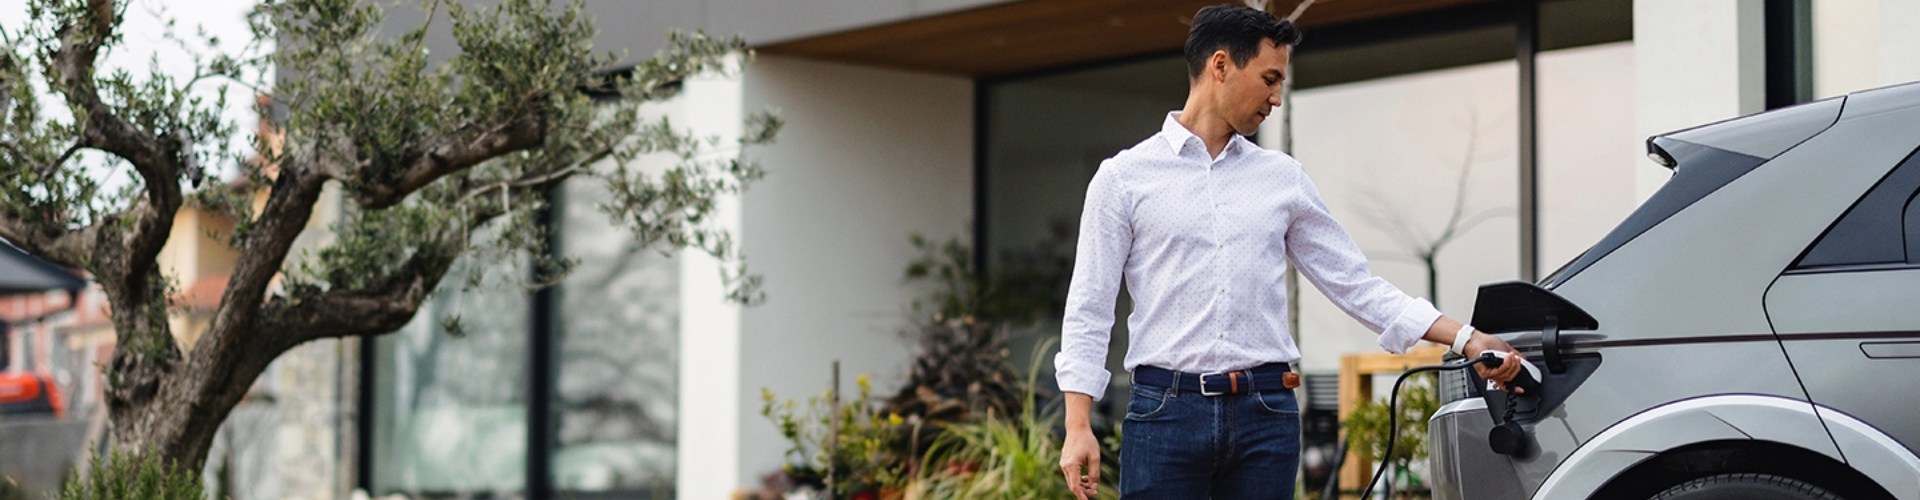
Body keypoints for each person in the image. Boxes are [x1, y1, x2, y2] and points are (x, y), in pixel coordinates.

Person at [1052, 5, 1526, 499]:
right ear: (1220, 66)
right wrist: (1078, 424)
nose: (1277, 98)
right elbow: (1089, 307)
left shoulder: (1282, 179)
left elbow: (1355, 285)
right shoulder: (1123, 179)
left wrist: (1468, 339)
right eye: (1270, 79)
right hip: (1165, 415)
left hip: (1265, 416)